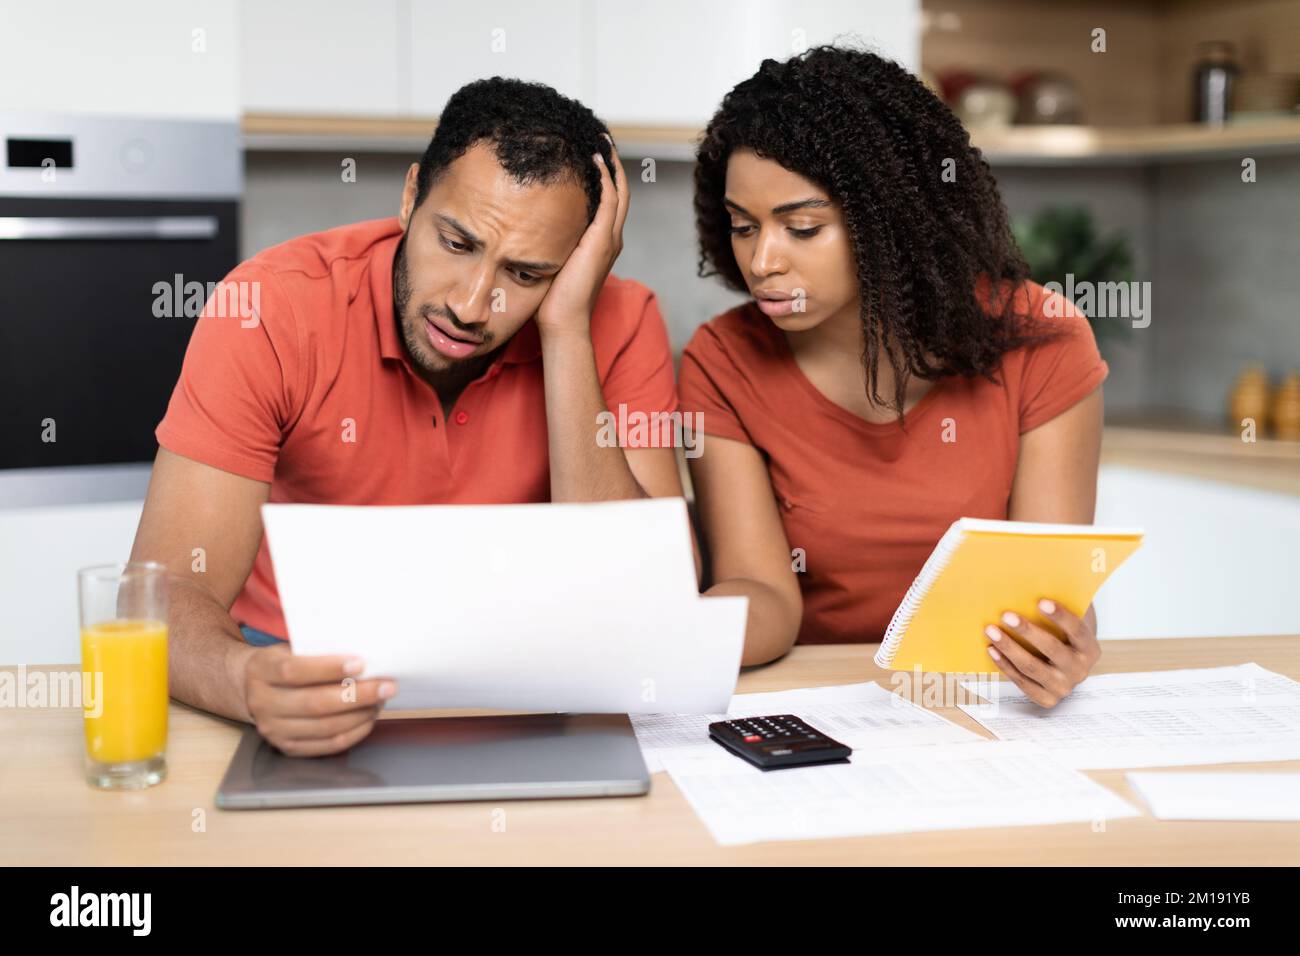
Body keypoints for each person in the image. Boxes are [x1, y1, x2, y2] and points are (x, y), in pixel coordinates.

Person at [129, 78, 686, 755]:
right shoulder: (269, 307)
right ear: (410, 194)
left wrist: (567, 332)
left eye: (528, 275)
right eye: (456, 243)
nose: (472, 304)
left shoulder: (620, 321)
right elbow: (164, 594)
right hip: (297, 660)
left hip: (527, 673)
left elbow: (644, 606)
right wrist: (247, 679)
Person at [680, 46, 1108, 707]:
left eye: (802, 227)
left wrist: (1059, 643)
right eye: (742, 227)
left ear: (891, 221)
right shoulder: (723, 360)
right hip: (810, 701)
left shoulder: (1045, 343)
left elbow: (1045, 593)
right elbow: (760, 593)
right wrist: (666, 635)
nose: (761, 261)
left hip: (985, 701)